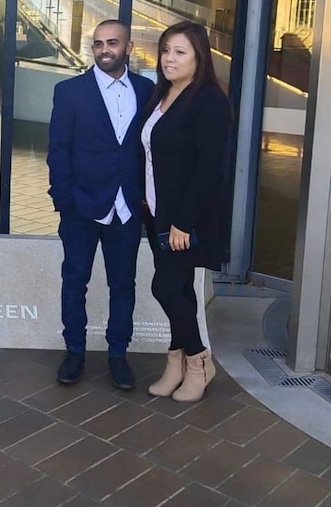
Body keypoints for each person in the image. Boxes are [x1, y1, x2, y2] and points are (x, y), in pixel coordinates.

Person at [47, 20, 155, 389]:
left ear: (128, 47)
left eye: (112, 43)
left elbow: (148, 150)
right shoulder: (70, 91)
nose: (104, 49)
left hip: (127, 207)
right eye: (97, 44)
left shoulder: (148, 90)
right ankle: (74, 351)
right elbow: (58, 151)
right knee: (74, 281)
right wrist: (65, 201)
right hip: (81, 206)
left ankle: (117, 356)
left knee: (123, 283)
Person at [138, 20, 233, 403]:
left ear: (199, 58)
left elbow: (210, 167)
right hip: (158, 213)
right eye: (165, 50)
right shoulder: (162, 93)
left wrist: (183, 221)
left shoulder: (208, 99)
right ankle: (175, 363)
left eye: (180, 52)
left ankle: (198, 361)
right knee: (179, 288)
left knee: (164, 286)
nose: (169, 59)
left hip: (184, 220)